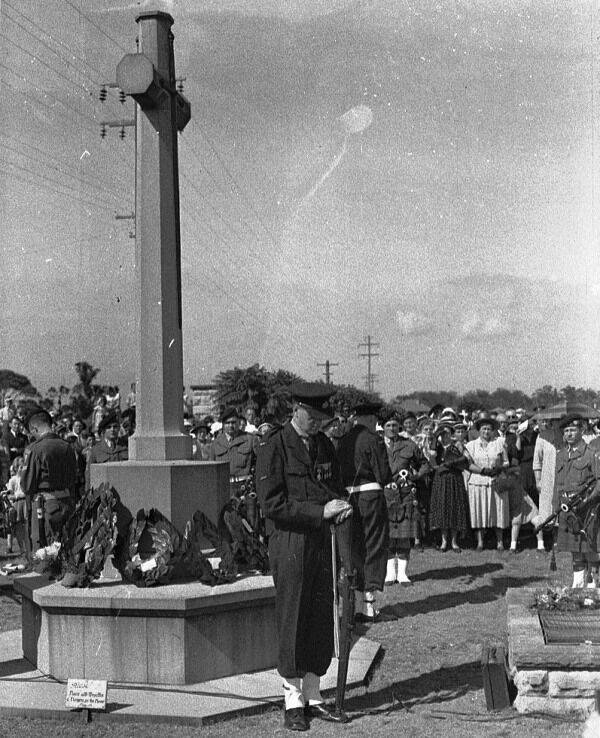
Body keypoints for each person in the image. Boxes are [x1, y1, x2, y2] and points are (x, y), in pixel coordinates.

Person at [255, 382, 352, 730]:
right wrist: (319, 512)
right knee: (293, 616)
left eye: (321, 417)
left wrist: (340, 505)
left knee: (319, 618)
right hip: (290, 542)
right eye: (312, 416)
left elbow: (333, 486)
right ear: (296, 409)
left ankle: (314, 694)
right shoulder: (274, 446)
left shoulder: (324, 444)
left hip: (322, 541)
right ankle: (293, 700)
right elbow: (272, 503)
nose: (317, 423)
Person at [337, 401, 391, 620]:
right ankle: (369, 606)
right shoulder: (373, 439)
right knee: (374, 546)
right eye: (375, 420)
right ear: (370, 419)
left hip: (349, 498)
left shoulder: (342, 440)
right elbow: (384, 474)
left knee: (355, 548)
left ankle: (357, 605)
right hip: (371, 497)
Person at [21, 409, 78, 551]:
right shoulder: (67, 446)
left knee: (44, 552)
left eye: (31, 432)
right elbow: (73, 478)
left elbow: (27, 485)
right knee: (66, 549)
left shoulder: (34, 449)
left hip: (46, 506)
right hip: (67, 503)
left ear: (34, 428)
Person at [554, 413, 600, 588]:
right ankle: (577, 586)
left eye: (573, 430)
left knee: (591, 550)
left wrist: (586, 502)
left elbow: (599, 484)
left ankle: (593, 589)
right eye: (566, 431)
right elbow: (557, 486)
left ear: (582, 430)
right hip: (567, 511)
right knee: (575, 551)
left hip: (588, 512)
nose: (569, 434)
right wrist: (555, 510)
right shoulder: (561, 455)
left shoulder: (591, 454)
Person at [464, 417, 509, 550]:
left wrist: (499, 468)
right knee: (479, 511)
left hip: (496, 480)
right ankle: (480, 542)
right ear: (479, 430)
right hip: (478, 481)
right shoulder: (471, 445)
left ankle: (500, 542)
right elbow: (468, 464)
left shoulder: (499, 442)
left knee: (498, 511)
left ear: (493, 430)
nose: (486, 431)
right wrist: (482, 470)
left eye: (489, 429)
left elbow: (506, 461)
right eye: (484, 429)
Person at [429, 423, 470, 552]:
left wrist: (453, 462)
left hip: (454, 478)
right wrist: (435, 438)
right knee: (442, 508)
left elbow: (466, 459)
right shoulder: (437, 446)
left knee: (454, 507)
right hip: (441, 478)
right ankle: (444, 541)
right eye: (442, 433)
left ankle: (454, 541)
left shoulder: (458, 445)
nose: (444, 435)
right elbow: (432, 458)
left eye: (447, 432)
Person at [208, 408, 259, 498]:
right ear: (223, 425)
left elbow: (260, 464)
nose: (231, 425)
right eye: (228, 423)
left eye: (233, 422)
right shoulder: (216, 443)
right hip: (222, 488)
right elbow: (210, 469)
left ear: (239, 423)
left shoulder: (250, 439)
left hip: (244, 488)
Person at [85, 412, 128, 491]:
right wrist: (88, 494)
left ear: (118, 429)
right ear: (103, 431)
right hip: (103, 492)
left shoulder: (126, 447)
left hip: (123, 489)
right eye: (109, 427)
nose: (112, 429)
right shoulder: (95, 450)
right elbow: (89, 475)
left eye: (115, 427)